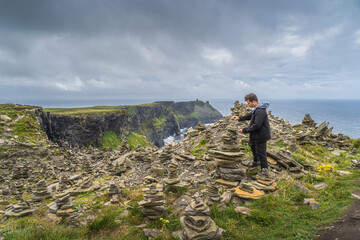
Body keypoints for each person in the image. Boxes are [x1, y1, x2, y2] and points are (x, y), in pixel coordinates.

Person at [231, 93, 271, 174]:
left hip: (261, 135)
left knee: (261, 152)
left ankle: (265, 170)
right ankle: (256, 162)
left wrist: (244, 130)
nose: (248, 105)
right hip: (256, 135)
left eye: (249, 103)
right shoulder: (257, 109)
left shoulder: (260, 111)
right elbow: (250, 116)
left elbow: (256, 125)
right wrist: (239, 118)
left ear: (254, 101)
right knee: (252, 145)